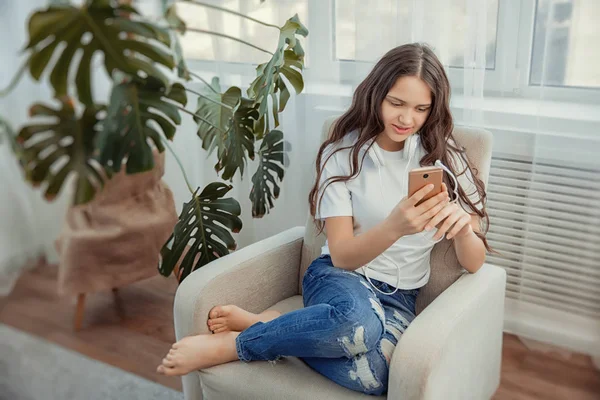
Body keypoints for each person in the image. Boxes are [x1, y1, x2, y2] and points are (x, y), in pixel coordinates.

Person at [157, 43, 491, 396]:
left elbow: (474, 262)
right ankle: (238, 345)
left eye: (421, 109)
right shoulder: (343, 154)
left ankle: (278, 326)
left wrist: (462, 230)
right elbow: (344, 254)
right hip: (339, 276)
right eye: (397, 103)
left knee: (377, 376)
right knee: (357, 322)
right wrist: (395, 226)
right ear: (376, 94)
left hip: (400, 299)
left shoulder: (446, 160)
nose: (407, 119)